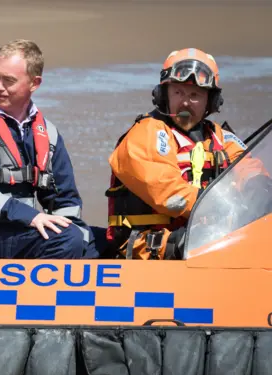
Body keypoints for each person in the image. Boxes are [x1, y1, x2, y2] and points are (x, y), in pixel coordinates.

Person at [0, 39, 99, 259]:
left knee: (93, 239)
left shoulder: (47, 133)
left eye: (8, 80)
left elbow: (65, 199)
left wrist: (79, 238)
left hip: (20, 229)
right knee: (66, 240)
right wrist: (30, 217)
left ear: (34, 83)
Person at [105, 47, 251, 260]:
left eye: (195, 95)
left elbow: (248, 167)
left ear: (210, 101)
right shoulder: (147, 132)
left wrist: (259, 188)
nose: (185, 102)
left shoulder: (220, 137)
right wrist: (216, 208)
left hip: (205, 234)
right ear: (163, 95)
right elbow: (165, 189)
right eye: (178, 92)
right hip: (150, 246)